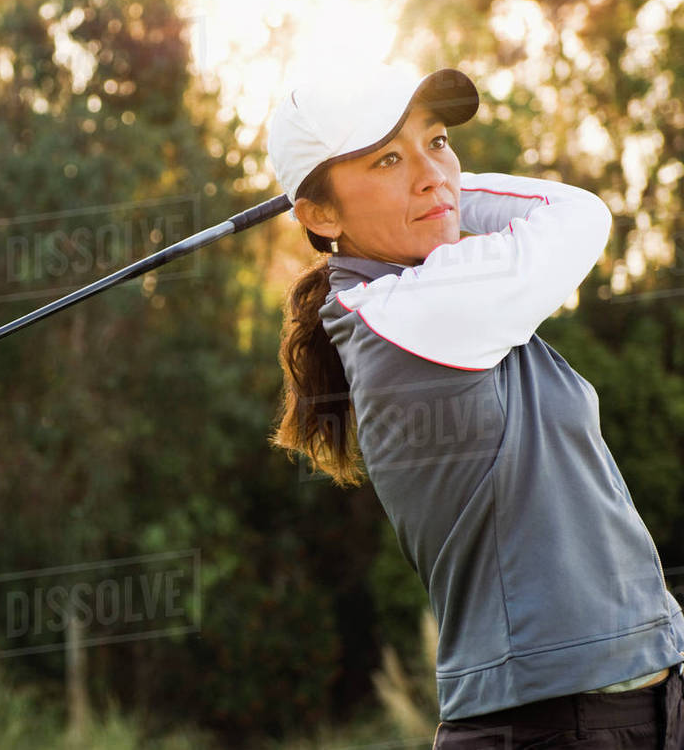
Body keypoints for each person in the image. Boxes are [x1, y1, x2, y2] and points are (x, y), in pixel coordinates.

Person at [266, 62, 684, 747]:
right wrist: (450, 194)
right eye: (388, 158)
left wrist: (433, 191)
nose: (430, 172)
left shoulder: (424, 297)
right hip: (554, 726)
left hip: (637, 704)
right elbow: (578, 214)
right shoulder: (413, 310)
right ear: (318, 213)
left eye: (437, 142)